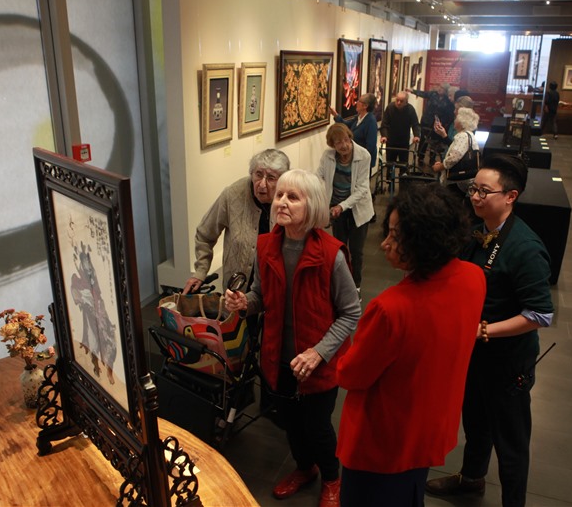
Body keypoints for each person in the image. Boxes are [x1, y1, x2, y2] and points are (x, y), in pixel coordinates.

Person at [336, 183, 486, 507]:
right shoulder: (474, 277)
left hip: (384, 439)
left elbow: (351, 375)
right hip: (430, 423)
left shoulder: (392, 309)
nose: (386, 243)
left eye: (396, 235)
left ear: (424, 241)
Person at [224, 169, 361, 507]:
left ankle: (331, 478)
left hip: (318, 362)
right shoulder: (266, 245)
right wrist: (245, 304)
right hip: (278, 356)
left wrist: (319, 352)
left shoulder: (332, 254)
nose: (281, 201)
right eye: (280, 195)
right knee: (289, 422)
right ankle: (304, 468)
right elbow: (260, 295)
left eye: (292, 197)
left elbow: (351, 313)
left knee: (317, 426)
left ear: (311, 205)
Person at [426, 154, 554, 507]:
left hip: (507, 360)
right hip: (474, 354)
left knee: (510, 441)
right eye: (473, 189)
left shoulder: (525, 248)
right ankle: (471, 480)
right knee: (476, 422)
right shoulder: (477, 229)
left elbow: (541, 314)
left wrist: (484, 331)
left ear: (510, 196)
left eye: (485, 191)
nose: (475, 197)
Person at [183, 148, 290, 294]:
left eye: (271, 178)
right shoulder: (232, 195)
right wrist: (201, 271)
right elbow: (204, 234)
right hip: (237, 289)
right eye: (258, 175)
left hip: (275, 288)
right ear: (251, 174)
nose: (262, 184)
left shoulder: (290, 200)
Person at [317, 123, 373, 293]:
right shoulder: (328, 156)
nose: (343, 146)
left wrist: (342, 206)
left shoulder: (364, 155)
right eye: (337, 143)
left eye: (345, 140)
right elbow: (318, 176)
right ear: (332, 145)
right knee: (339, 249)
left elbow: (362, 189)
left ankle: (355, 286)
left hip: (358, 209)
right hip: (336, 209)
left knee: (356, 251)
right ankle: (341, 283)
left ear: (350, 138)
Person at [431, 107, 481, 201]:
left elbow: (454, 158)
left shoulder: (462, 136)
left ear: (461, 122)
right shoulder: (470, 135)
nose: (454, 121)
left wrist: (440, 166)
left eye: (456, 118)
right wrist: (444, 135)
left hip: (457, 180)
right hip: (466, 179)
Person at [330, 93, 379, 169]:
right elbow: (346, 126)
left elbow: (370, 146)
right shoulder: (359, 117)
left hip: (363, 161)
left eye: (359, 101)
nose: (356, 103)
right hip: (354, 157)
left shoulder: (371, 121)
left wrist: (360, 158)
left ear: (365, 106)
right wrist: (336, 115)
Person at [380, 92, 420, 175]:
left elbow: (415, 124)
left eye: (401, 101)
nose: (398, 103)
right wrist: (384, 136)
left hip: (403, 141)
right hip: (391, 140)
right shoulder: (390, 108)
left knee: (403, 165)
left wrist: (416, 135)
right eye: (397, 100)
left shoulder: (410, 109)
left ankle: (403, 181)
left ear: (406, 102)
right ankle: (389, 182)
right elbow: (384, 124)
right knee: (390, 164)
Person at [406, 86, 440, 166]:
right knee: (423, 139)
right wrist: (412, 91)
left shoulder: (446, 100)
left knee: (435, 140)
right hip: (427, 121)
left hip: (437, 122)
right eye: (439, 88)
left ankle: (432, 158)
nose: (439, 89)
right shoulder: (433, 94)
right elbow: (423, 94)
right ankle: (420, 157)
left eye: (441, 89)